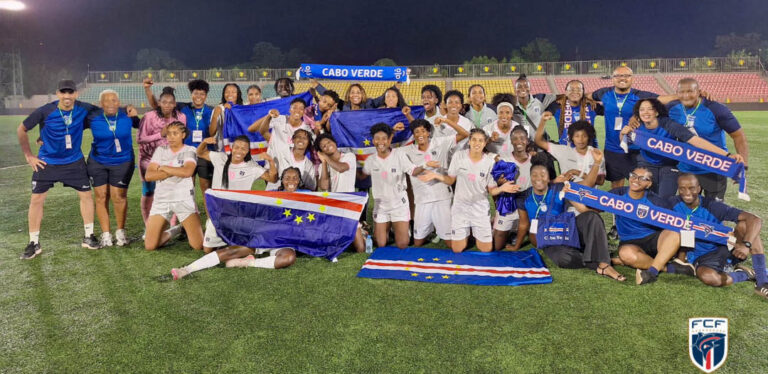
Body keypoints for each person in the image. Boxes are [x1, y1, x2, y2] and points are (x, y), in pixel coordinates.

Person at [17, 80, 101, 259]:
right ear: (58, 94)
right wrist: (29, 156)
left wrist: (127, 112)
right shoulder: (46, 110)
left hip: (74, 162)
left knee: (86, 196)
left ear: (76, 94)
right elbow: (22, 129)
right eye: (63, 93)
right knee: (37, 199)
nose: (67, 96)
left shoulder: (83, 108)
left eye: (70, 93)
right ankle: (33, 242)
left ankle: (89, 236)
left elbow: (107, 111)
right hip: (47, 162)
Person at [170, 167, 302, 280]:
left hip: (285, 242)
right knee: (230, 252)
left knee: (288, 258)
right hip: (263, 237)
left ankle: (248, 262)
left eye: (295, 178)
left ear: (300, 180)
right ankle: (186, 269)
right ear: (282, 180)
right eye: (287, 177)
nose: (291, 181)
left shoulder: (309, 198)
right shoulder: (270, 195)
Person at [513, 154, 625, 281]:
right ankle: (600, 260)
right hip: (549, 239)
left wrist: (597, 163)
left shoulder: (560, 187)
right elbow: (523, 224)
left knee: (592, 217)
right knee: (563, 259)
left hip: (567, 229)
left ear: (549, 177)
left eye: (543, 175)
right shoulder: (524, 197)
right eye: (534, 175)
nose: (538, 178)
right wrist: (517, 246)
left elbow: (587, 184)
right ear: (530, 176)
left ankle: (604, 264)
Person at [619, 98, 743, 197]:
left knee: (665, 201)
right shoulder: (637, 126)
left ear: (656, 112)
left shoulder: (669, 124)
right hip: (647, 164)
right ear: (638, 113)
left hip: (669, 166)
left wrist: (727, 155)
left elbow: (695, 141)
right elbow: (624, 143)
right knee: (645, 197)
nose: (646, 112)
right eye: (642, 110)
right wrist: (622, 133)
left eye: (650, 109)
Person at [671, 174, 767, 299]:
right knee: (708, 277)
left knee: (744, 225)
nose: (687, 192)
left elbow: (755, 219)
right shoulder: (672, 203)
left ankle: (762, 281)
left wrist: (746, 245)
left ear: (699, 188)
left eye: (691, 188)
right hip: (701, 255)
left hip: (724, 247)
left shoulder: (712, 206)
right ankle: (745, 274)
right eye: (682, 188)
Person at [419, 129, 516, 253]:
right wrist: (435, 176)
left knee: (486, 249)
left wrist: (502, 188)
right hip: (460, 208)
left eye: (480, 140)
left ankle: (479, 229)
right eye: (474, 139)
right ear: (469, 141)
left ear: (485, 143)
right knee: (457, 249)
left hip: (480, 208)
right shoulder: (459, 156)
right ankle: (467, 232)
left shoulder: (489, 162)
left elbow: (492, 191)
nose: (477, 143)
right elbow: (450, 180)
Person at [667, 78, 749, 200]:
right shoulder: (671, 108)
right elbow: (647, 107)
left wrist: (743, 167)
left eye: (690, 91)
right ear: (676, 93)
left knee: (714, 211)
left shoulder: (716, 109)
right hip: (686, 168)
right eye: (682, 92)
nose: (686, 95)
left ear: (699, 91)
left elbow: (738, 136)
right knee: (688, 211)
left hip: (715, 167)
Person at [611, 167, 695, 285]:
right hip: (629, 242)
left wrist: (683, 255)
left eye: (642, 178)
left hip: (653, 239)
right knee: (626, 254)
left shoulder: (656, 201)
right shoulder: (618, 193)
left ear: (649, 184)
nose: (636, 180)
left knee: (675, 233)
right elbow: (594, 204)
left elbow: (681, 224)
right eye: (633, 175)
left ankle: (651, 272)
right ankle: (669, 267)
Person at [196, 135, 277, 253]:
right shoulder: (220, 158)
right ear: (232, 147)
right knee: (207, 250)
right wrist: (204, 142)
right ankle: (217, 233)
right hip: (218, 213)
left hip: (238, 214)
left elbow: (272, 179)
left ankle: (229, 242)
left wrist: (270, 161)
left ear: (248, 151)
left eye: (243, 148)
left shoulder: (251, 167)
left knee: (244, 248)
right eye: (237, 147)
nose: (239, 151)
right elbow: (200, 153)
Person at [144, 78, 216, 198]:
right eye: (195, 93)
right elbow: (159, 106)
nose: (198, 96)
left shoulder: (212, 111)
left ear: (206, 96)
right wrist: (147, 89)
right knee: (187, 187)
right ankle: (189, 213)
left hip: (205, 153)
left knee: (206, 187)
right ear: (191, 94)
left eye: (202, 94)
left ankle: (210, 217)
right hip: (187, 153)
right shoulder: (183, 107)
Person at [86, 89, 140, 247]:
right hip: (98, 162)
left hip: (123, 162)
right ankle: (106, 234)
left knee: (118, 196)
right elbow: (70, 127)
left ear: (119, 102)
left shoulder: (127, 115)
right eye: (107, 100)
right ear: (100, 104)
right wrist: (43, 136)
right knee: (101, 197)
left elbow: (143, 125)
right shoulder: (92, 117)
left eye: (114, 100)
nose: (111, 103)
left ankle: (120, 232)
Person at [590, 67, 660, 189]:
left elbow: (662, 102)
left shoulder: (640, 95)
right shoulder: (604, 93)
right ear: (613, 78)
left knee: (642, 185)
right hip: (612, 149)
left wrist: (638, 114)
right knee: (616, 186)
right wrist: (589, 101)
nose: (622, 78)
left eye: (627, 75)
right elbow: (586, 96)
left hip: (636, 149)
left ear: (632, 78)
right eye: (618, 76)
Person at [404, 119, 469, 246]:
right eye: (416, 132)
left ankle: (462, 232)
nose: (420, 134)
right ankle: (430, 231)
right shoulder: (407, 150)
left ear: (429, 132)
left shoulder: (441, 142)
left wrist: (446, 120)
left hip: (442, 197)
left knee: (451, 243)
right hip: (422, 199)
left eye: (423, 131)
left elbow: (465, 134)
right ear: (413, 135)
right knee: (417, 242)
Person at [361, 123, 424, 249]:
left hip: (399, 204)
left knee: (402, 244)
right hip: (381, 206)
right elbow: (361, 176)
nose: (380, 142)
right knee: (380, 243)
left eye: (384, 138)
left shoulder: (399, 154)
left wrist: (427, 165)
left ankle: (397, 228)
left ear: (390, 140)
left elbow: (413, 171)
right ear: (373, 140)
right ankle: (382, 229)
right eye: (377, 139)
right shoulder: (370, 160)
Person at [143, 121, 204, 251]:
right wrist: (175, 170)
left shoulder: (190, 150)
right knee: (150, 246)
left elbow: (187, 172)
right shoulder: (160, 150)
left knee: (198, 245)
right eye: (169, 134)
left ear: (183, 135)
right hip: (161, 199)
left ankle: (186, 226)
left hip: (183, 199)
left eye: (175, 133)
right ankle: (176, 229)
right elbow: (149, 175)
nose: (170, 137)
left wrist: (164, 168)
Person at [138, 86, 187, 227]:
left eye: (170, 102)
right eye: (164, 102)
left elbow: (181, 138)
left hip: (171, 160)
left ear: (174, 104)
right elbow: (140, 139)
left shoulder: (180, 117)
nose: (167, 105)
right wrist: (161, 134)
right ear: (159, 102)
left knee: (172, 192)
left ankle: (171, 225)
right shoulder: (149, 116)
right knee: (148, 193)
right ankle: (148, 226)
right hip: (148, 160)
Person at [315, 133, 366, 252]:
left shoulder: (348, 156)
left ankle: (361, 232)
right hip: (333, 207)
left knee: (360, 249)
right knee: (333, 249)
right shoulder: (324, 164)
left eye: (328, 142)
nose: (327, 146)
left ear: (335, 142)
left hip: (349, 206)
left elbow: (341, 168)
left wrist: (326, 158)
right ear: (322, 151)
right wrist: (323, 163)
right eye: (323, 146)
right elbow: (323, 186)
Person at [490, 125, 533, 250]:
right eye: (515, 138)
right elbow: (495, 183)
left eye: (522, 138)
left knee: (535, 238)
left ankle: (517, 229)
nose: (519, 141)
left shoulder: (534, 159)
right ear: (511, 141)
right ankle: (499, 225)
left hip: (526, 202)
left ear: (528, 140)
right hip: (508, 201)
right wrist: (501, 182)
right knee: (497, 246)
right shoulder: (504, 160)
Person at [535, 113, 605, 186]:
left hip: (589, 195)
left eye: (584, 136)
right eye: (577, 136)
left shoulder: (597, 155)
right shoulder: (564, 151)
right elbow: (538, 141)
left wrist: (576, 172)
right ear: (571, 137)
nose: (580, 140)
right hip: (567, 192)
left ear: (589, 137)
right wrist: (543, 121)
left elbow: (600, 181)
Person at [545, 79, 601, 148]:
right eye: (571, 89)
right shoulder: (557, 106)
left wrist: (593, 97)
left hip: (588, 152)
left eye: (578, 89)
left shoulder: (592, 106)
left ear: (583, 92)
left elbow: (612, 109)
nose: (575, 92)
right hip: (566, 152)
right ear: (566, 92)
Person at [248, 97, 313, 148]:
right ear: (290, 110)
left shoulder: (306, 129)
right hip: (274, 161)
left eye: (301, 108)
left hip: (292, 163)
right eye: (294, 108)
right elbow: (251, 129)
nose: (297, 111)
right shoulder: (279, 118)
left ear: (304, 111)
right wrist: (269, 115)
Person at [513, 74, 557, 139]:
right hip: (522, 143)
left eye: (526, 86)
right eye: (519, 86)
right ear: (515, 89)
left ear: (530, 88)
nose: (523, 88)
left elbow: (560, 97)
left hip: (539, 143)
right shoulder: (512, 104)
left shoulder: (540, 99)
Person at [208, 83, 244, 153]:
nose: (230, 94)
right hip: (223, 149)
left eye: (233, 92)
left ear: (238, 94)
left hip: (240, 149)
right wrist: (215, 116)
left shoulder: (242, 108)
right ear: (224, 94)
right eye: (227, 92)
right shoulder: (219, 109)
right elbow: (211, 133)